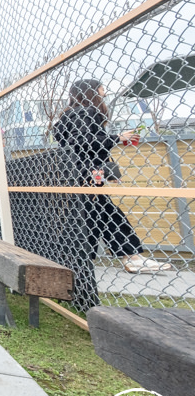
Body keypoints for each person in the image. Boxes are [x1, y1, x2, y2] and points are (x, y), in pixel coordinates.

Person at [53, 80, 171, 280]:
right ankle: (131, 258)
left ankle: (77, 261)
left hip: (80, 173)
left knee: (93, 216)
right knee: (107, 214)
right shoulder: (87, 111)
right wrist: (117, 138)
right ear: (91, 91)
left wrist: (109, 170)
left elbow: (86, 148)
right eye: (101, 89)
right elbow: (80, 143)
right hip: (87, 174)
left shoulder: (69, 115)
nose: (104, 93)